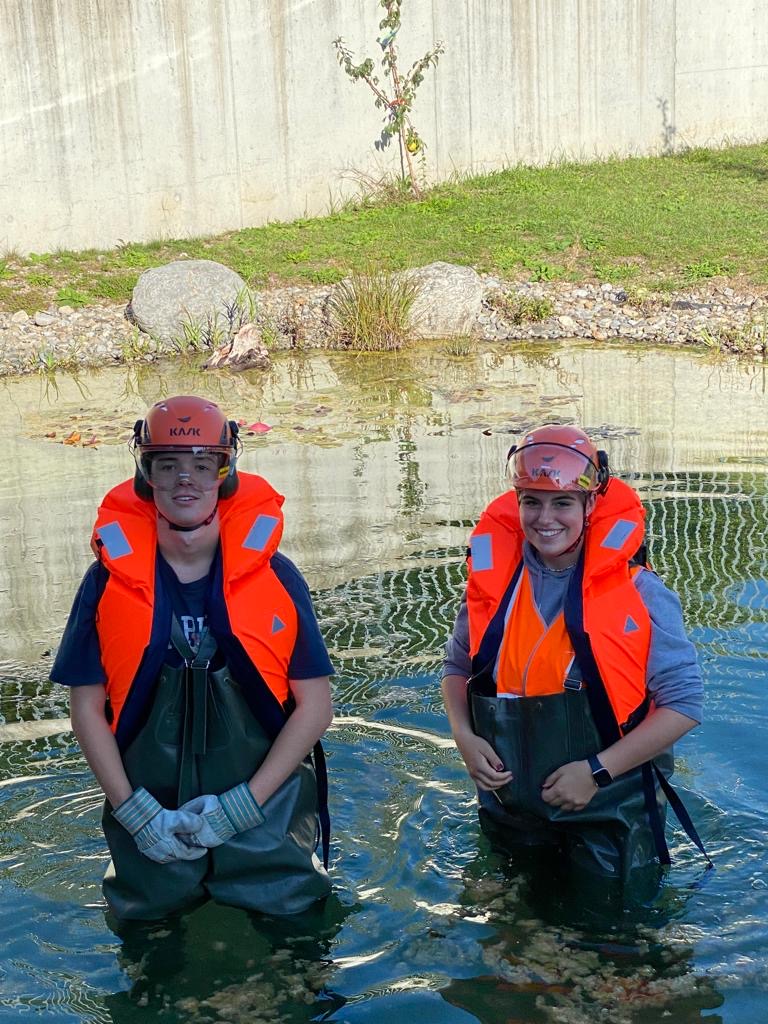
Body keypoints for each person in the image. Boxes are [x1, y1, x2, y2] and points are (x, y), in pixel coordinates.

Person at [51, 395, 334, 920]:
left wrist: (243, 807)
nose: (187, 480)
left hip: (264, 808)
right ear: (146, 475)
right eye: (169, 465)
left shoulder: (278, 576)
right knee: (146, 938)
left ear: (225, 475)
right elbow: (86, 709)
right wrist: (133, 812)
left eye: (204, 466)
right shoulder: (105, 582)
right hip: (147, 804)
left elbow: (315, 707)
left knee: (293, 938)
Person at [441, 424, 705, 896]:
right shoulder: (492, 583)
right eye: (531, 501)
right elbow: (458, 668)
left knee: (611, 949)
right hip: (510, 807)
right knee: (508, 937)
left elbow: (684, 705)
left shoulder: (641, 592)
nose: (545, 518)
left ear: (591, 504)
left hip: (606, 810)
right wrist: (463, 736)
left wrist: (597, 771)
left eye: (562, 502)